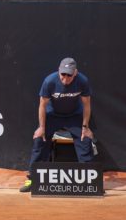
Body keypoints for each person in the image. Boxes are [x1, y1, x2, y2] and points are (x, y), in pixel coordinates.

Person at [19, 57, 94, 193]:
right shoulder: (49, 81)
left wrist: (85, 127)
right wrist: (41, 128)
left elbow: (86, 104)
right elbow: (42, 105)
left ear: (75, 73)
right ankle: (33, 179)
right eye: (63, 74)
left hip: (74, 116)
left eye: (69, 75)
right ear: (59, 71)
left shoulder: (82, 81)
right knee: (39, 139)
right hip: (52, 115)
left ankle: (90, 182)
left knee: (85, 139)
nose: (65, 78)